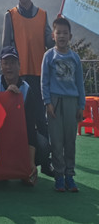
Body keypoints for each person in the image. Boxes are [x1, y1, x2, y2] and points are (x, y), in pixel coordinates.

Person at [0, 46, 47, 186]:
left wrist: (30, 162)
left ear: (19, 65)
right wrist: (6, 97)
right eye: (6, 63)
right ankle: (0, 167)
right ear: (1, 65)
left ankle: (25, 168)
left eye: (13, 63)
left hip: (20, 136)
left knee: (43, 145)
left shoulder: (27, 89)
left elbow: (30, 127)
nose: (9, 67)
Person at [41, 17, 85, 192]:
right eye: (58, 32)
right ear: (53, 35)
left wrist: (81, 105)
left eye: (65, 33)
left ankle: (69, 176)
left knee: (70, 141)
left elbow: (80, 83)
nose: (61, 36)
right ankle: (59, 176)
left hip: (72, 103)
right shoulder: (49, 56)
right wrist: (47, 102)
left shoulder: (75, 58)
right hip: (55, 103)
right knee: (56, 141)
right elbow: (44, 82)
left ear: (70, 36)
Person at [2, 0, 54, 96]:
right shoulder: (10, 15)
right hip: (19, 75)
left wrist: (55, 35)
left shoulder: (42, 15)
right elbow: (6, 47)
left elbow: (49, 43)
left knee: (38, 107)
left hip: (40, 72)